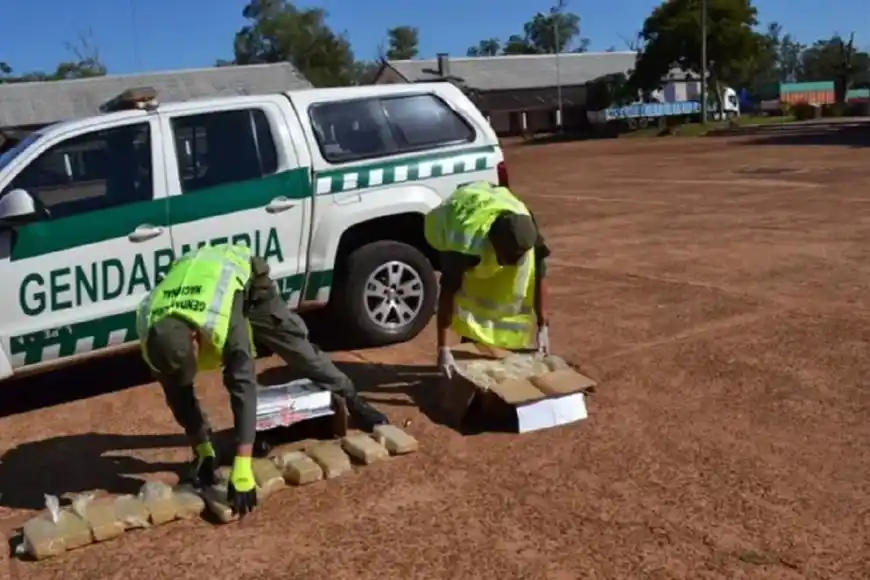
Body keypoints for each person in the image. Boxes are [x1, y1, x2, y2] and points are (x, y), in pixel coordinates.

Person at [136, 243, 388, 518]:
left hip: (244, 281)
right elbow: (177, 392)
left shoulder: (220, 318)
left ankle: (353, 398)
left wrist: (242, 465)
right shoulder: (153, 335)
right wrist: (202, 448)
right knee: (180, 387)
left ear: (195, 337)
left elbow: (242, 384)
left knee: (300, 353)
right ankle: (207, 449)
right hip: (193, 280)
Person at [424, 181, 551, 379]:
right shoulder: (463, 244)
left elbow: (540, 274)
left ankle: (478, 348)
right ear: (492, 244)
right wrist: (443, 349)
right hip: (453, 214)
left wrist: (543, 325)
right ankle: (469, 344)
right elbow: (448, 292)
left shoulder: (528, 231)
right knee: (465, 288)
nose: (512, 263)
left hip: (492, 200)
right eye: (507, 257)